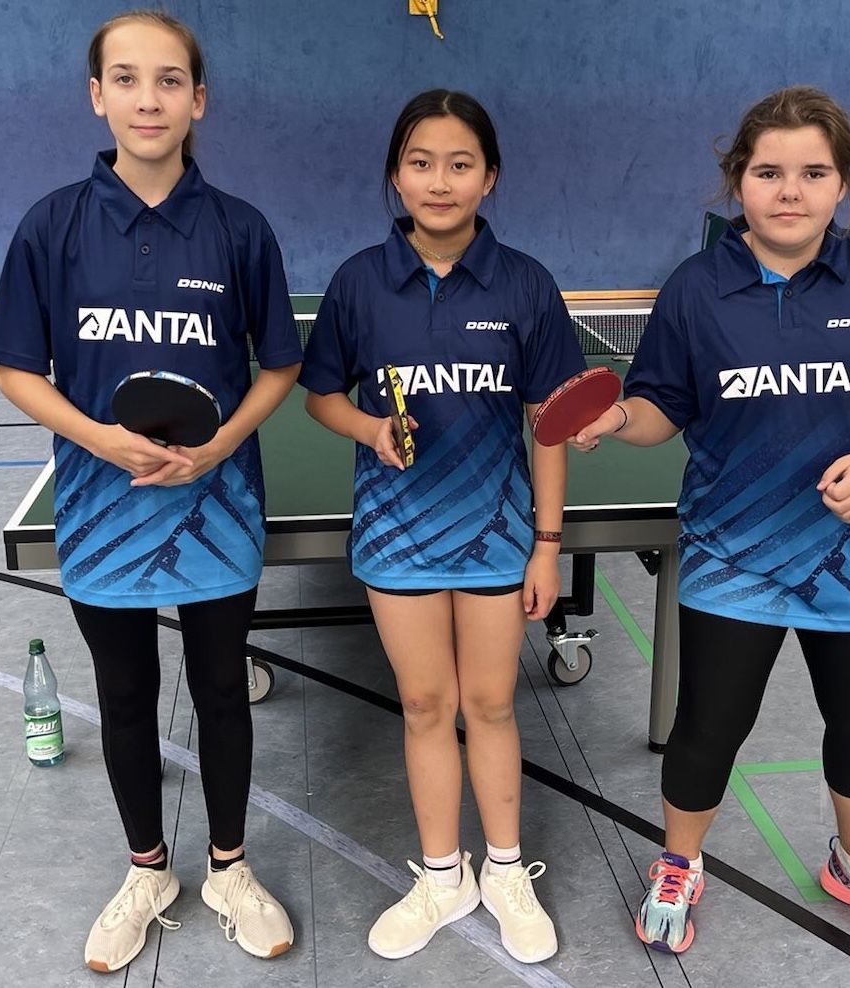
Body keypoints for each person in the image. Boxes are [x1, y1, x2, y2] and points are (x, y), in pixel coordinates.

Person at [573, 86, 850, 954]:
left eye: (812, 173)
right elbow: (661, 407)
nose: (789, 191)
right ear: (736, 181)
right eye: (768, 172)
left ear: (841, 183)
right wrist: (616, 417)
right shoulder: (697, 288)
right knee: (708, 725)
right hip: (730, 556)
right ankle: (679, 861)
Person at [0, 10, 302, 972]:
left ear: (199, 100)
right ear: (97, 96)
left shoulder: (240, 229)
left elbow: (279, 365)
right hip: (98, 509)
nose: (147, 99)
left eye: (168, 81)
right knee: (123, 694)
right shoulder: (51, 226)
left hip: (217, 509)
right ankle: (148, 870)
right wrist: (100, 440)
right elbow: (16, 369)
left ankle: (229, 869)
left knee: (221, 689)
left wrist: (219, 446)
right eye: (125, 79)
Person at [300, 89, 584, 964]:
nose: (439, 180)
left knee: (492, 703)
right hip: (397, 534)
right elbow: (320, 396)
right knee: (425, 704)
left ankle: (505, 871)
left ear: (488, 177)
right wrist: (368, 429)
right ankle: (440, 876)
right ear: (396, 174)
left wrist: (547, 544)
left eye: (460, 164)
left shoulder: (525, 284)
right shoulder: (359, 282)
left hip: (496, 534)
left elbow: (549, 424)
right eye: (420, 163)